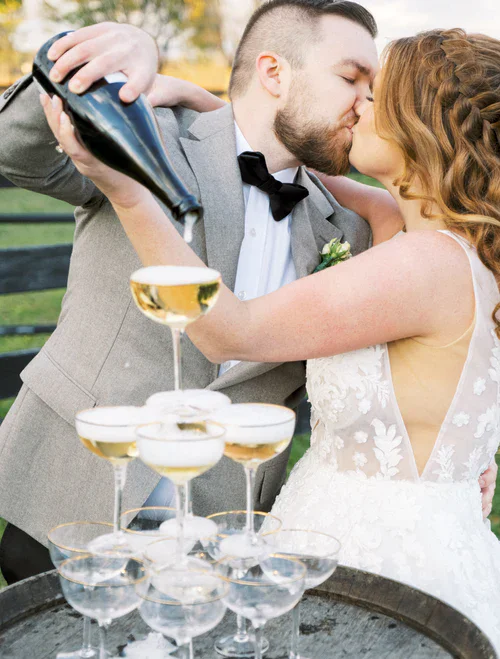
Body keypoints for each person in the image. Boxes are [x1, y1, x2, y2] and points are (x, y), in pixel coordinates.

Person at [43, 24, 500, 648]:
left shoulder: (424, 264)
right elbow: (280, 160)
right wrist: (212, 110)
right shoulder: (415, 229)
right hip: (330, 524)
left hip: (383, 556)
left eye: (377, 95)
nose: (358, 106)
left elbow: (229, 328)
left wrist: (127, 192)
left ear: (421, 125)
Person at [0, 0, 381, 584]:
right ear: (274, 72)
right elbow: (14, 151)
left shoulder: (351, 230)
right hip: (68, 484)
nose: (365, 103)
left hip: (223, 525)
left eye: (371, 86)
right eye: (350, 78)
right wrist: (101, 49)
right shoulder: (151, 128)